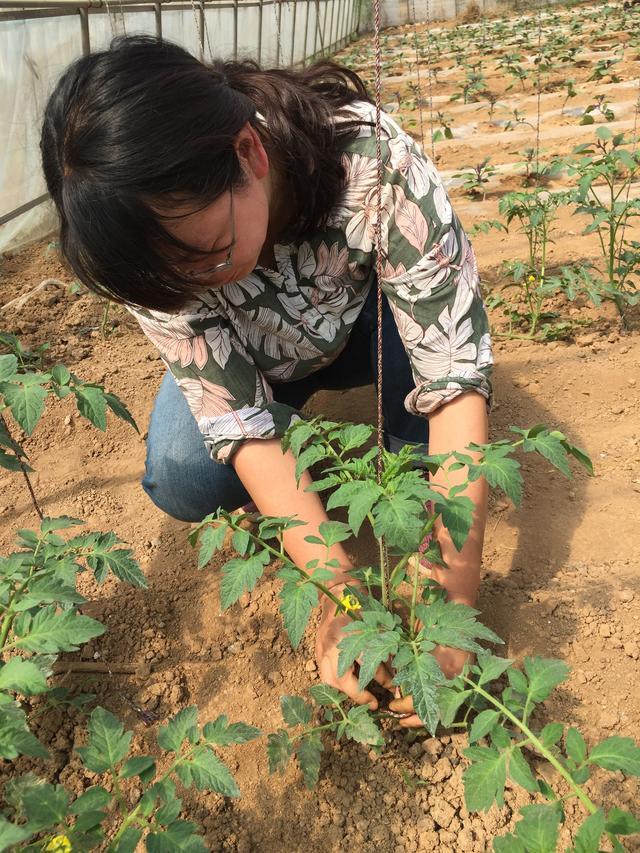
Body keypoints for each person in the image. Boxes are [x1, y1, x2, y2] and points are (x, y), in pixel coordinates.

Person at [40, 34, 493, 728]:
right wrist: (339, 597)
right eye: (168, 285)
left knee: (434, 447)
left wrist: (451, 601)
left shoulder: (374, 163)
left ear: (249, 154)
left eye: (208, 256)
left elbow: (453, 377)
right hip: (257, 361)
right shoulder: (148, 248)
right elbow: (243, 424)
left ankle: (395, 448)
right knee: (184, 472)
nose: (190, 287)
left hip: (371, 324)